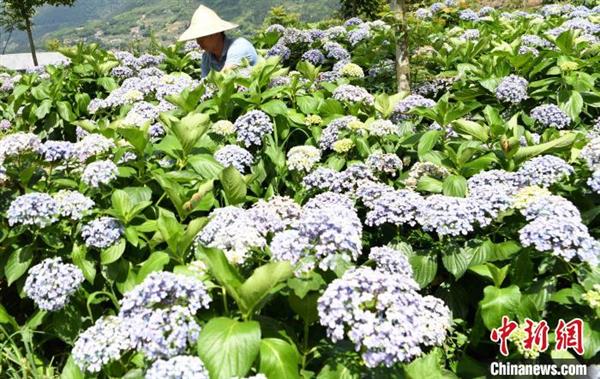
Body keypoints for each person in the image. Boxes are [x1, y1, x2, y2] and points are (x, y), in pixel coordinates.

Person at [178, 5, 258, 77]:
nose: (198, 42)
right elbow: (204, 84)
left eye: (202, 37)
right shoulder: (206, 57)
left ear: (215, 34)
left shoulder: (239, 47)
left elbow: (224, 78)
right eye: (197, 38)